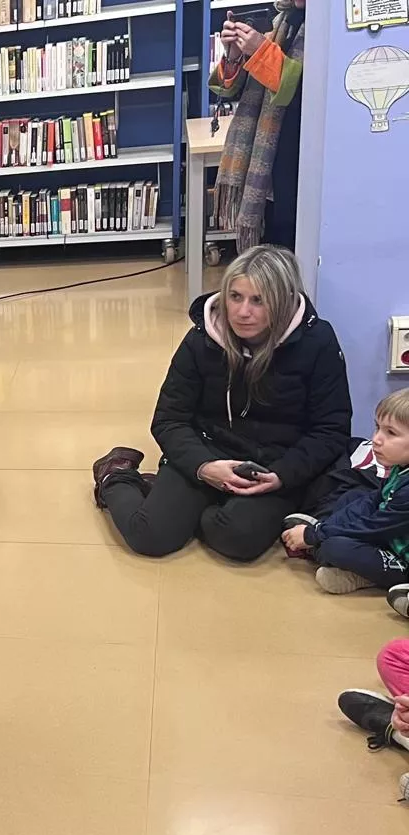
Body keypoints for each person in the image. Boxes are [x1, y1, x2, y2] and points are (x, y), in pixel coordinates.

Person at [92, 244, 351, 561]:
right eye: (235, 297)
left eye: (259, 300)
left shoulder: (318, 342)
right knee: (152, 537)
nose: (243, 312)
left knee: (238, 540)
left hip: (273, 464)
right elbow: (168, 419)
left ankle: (175, 498)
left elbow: (331, 429)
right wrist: (203, 467)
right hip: (208, 449)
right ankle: (114, 475)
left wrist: (283, 475)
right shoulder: (201, 339)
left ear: (282, 302)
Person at [282, 388, 409, 602]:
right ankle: (325, 541)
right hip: (391, 537)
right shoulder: (401, 468)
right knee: (354, 497)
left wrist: (315, 535)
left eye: (391, 433)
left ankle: (333, 556)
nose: (376, 439)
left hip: (400, 555)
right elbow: (372, 501)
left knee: (336, 547)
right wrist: (322, 529)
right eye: (378, 428)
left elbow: (373, 527)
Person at [210, 0, 306, 251]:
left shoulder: (330, 30)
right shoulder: (281, 22)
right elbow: (230, 90)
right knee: (270, 249)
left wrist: (263, 53)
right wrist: (234, 55)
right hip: (268, 169)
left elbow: (306, 92)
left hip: (300, 163)